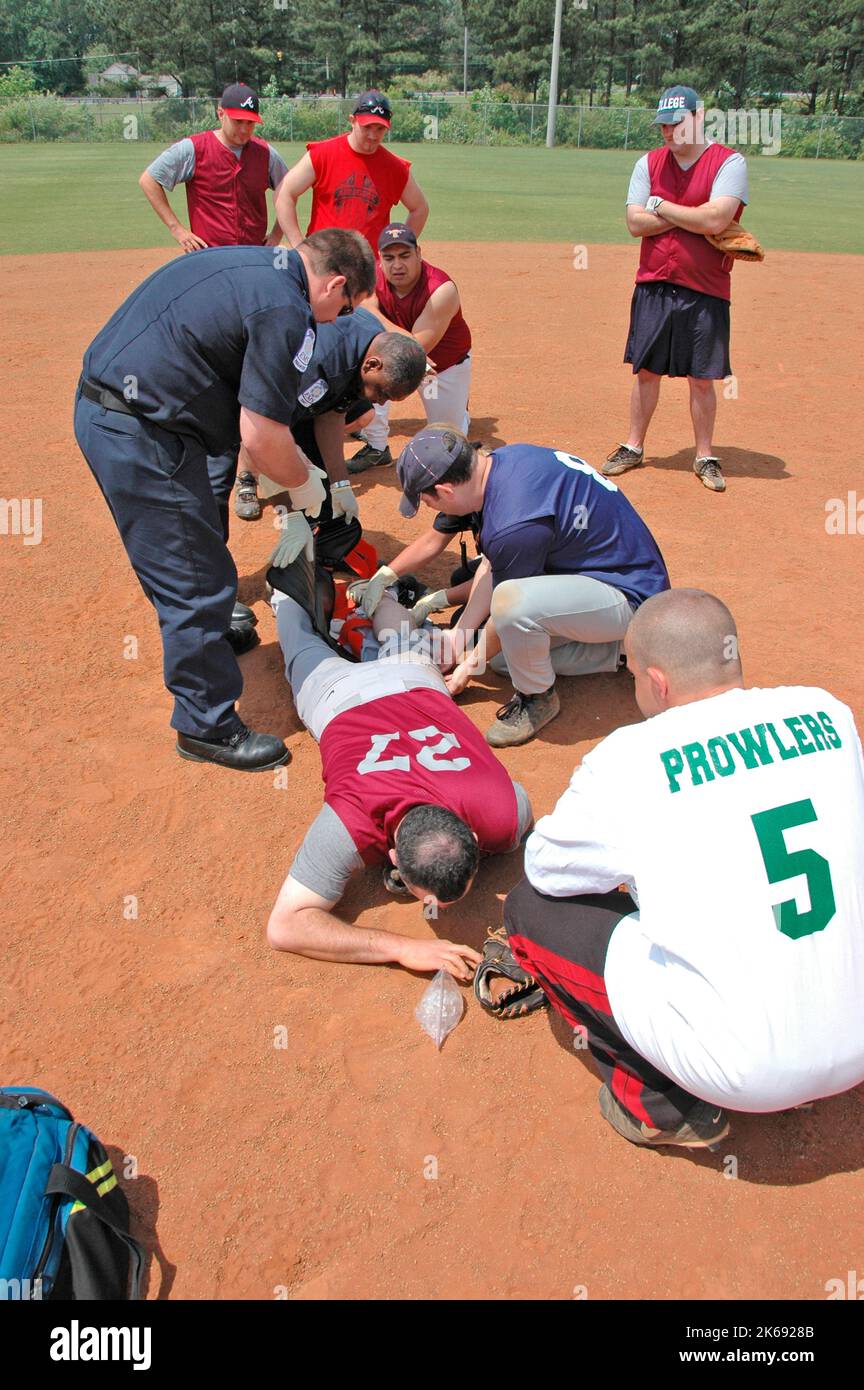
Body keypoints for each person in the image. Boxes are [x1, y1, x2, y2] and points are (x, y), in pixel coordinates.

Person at [499, 589, 864, 1150]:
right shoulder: (828, 712)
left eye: (634, 676)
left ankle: (662, 1105)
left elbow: (548, 870)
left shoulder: (628, 757)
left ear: (659, 682)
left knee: (530, 907)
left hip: (743, 1070)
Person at [74, 230, 376, 772]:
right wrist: (308, 487)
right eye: (345, 305)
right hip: (139, 430)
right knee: (195, 577)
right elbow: (260, 436)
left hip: (142, 414)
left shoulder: (260, 265)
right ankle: (205, 726)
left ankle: (209, 631)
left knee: (194, 550)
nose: (338, 319)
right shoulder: (287, 308)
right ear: (333, 283)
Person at [264, 560, 533, 978]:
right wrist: (400, 947)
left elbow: (291, 921)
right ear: (390, 856)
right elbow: (284, 928)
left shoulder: (502, 815)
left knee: (387, 642)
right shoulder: (350, 824)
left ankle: (357, 593)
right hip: (348, 696)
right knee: (305, 651)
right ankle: (329, 596)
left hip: (408, 683)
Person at [391, 428, 670, 747]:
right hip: (595, 579)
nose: (428, 508)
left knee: (511, 611)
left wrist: (468, 666)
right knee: (503, 659)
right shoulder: (499, 465)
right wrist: (461, 636)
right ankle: (622, 652)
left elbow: (505, 596)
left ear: (445, 491)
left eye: (426, 501)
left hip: (631, 596)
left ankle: (538, 698)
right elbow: (494, 561)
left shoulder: (514, 522)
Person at [138, 82, 290, 529]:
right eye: (238, 121)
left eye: (251, 122)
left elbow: (289, 192)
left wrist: (277, 238)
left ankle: (245, 476)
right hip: (208, 272)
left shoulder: (266, 154)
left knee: (254, 370)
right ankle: (197, 456)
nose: (244, 129)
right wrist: (177, 230)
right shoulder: (194, 149)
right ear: (219, 114)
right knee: (210, 363)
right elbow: (150, 179)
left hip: (255, 271)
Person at [604, 85, 750, 494]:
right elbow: (635, 224)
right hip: (653, 282)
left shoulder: (730, 162)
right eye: (663, 126)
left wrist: (660, 206)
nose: (669, 133)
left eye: (676, 123)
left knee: (702, 377)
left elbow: (717, 220)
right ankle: (633, 446)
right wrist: (693, 214)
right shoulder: (647, 163)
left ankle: (704, 455)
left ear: (698, 117)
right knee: (646, 371)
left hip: (706, 287)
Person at [255, 308, 428, 527]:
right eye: (383, 393)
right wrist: (290, 512)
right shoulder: (321, 368)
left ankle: (321, 540)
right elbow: (263, 431)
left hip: (303, 390)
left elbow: (332, 414)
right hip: (247, 394)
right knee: (297, 479)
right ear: (373, 365)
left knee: (322, 484)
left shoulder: (373, 344)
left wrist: (341, 484)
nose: (382, 402)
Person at [346, 223, 473, 473]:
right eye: (389, 258)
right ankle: (376, 447)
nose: (397, 265)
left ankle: (460, 416)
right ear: (380, 259)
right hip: (393, 356)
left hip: (442, 367)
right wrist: (370, 309)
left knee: (448, 443)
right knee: (373, 376)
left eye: (405, 256)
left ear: (419, 253)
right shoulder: (374, 276)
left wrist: (372, 311)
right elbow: (365, 310)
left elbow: (413, 350)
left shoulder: (441, 289)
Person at [275, 91, 429, 255]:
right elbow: (284, 193)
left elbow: (420, 208)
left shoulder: (395, 167)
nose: (372, 135)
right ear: (352, 121)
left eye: (380, 128)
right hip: (322, 263)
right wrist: (299, 247)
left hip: (369, 267)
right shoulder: (323, 154)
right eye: (367, 127)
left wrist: (396, 251)